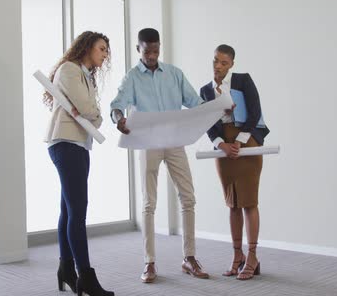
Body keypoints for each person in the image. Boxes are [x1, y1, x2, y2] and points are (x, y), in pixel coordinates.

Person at [110, 28, 210, 283]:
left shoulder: (174, 74)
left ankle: (189, 258)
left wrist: (216, 108)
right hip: (148, 143)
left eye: (156, 50)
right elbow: (116, 105)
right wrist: (119, 118)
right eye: (147, 51)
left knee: (188, 198)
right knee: (149, 204)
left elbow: (195, 103)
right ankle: (149, 262)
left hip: (175, 142)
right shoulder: (132, 77)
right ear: (138, 50)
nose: (152, 55)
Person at [45, 31, 115, 295]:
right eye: (102, 48)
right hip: (65, 143)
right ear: (87, 47)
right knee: (78, 212)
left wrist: (88, 113)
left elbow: (94, 116)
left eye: (107, 50)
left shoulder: (86, 76)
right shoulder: (69, 70)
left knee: (68, 211)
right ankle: (86, 276)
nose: (105, 54)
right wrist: (87, 113)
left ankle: (66, 269)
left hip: (78, 144)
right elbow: (88, 111)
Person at [199, 44, 270, 280]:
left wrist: (239, 141)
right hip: (223, 147)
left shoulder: (243, 80)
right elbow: (207, 122)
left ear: (232, 64)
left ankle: (252, 256)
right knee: (232, 202)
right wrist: (221, 143)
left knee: (249, 201)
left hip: (246, 141)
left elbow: (255, 110)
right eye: (215, 61)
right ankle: (237, 256)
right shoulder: (206, 91)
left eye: (223, 63)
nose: (218, 66)